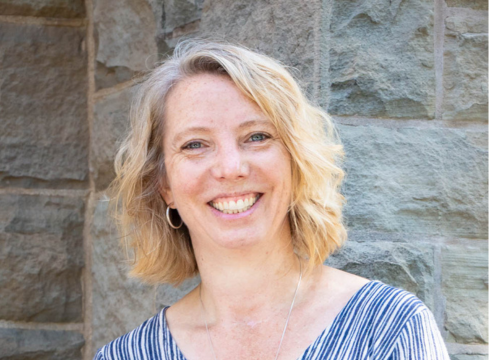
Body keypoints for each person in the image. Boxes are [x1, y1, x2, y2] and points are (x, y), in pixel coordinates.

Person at [94, 40, 449, 360]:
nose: (230, 168)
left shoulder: (389, 331)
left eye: (257, 136)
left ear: (296, 164)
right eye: (195, 145)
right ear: (164, 184)